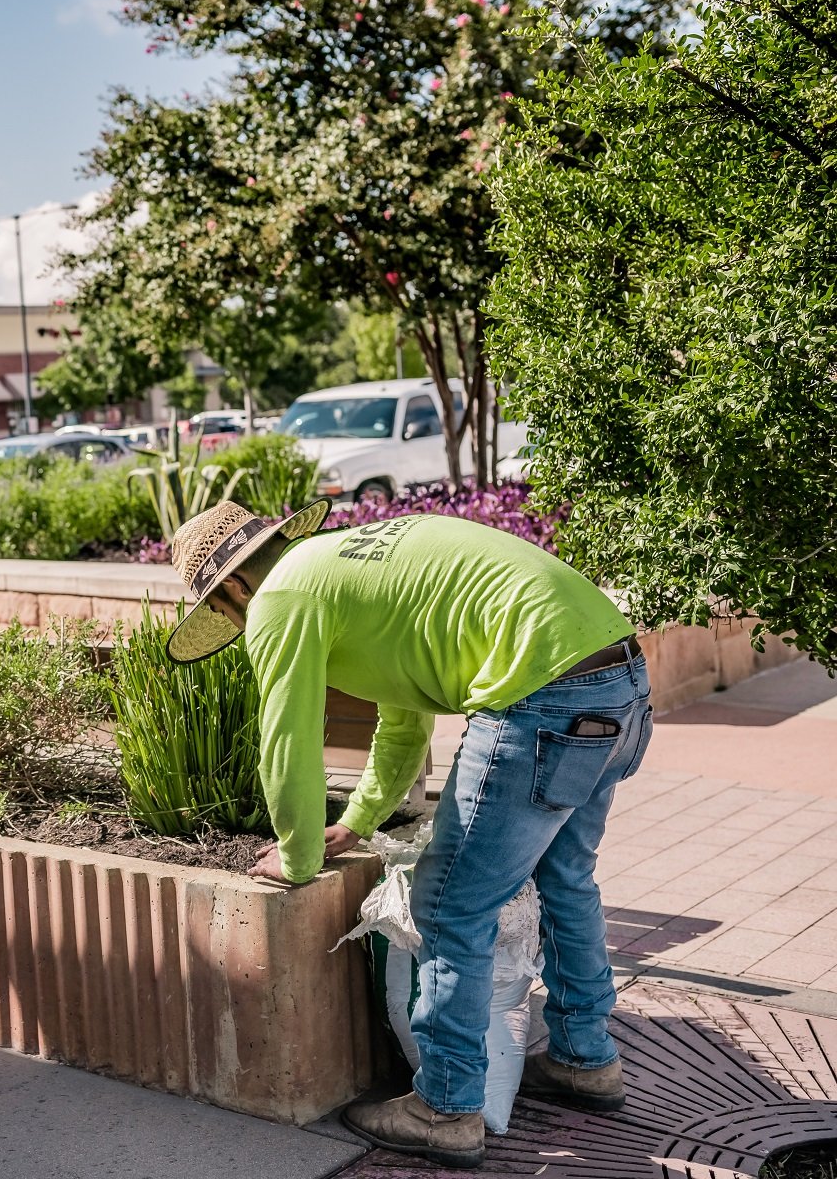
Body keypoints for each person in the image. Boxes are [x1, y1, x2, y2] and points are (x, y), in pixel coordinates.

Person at [164, 499, 652, 1169]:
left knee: (451, 904)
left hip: (541, 696)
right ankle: (584, 1060)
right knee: (565, 877)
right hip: (618, 680)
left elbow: (287, 741)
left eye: (223, 611)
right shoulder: (355, 570)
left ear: (234, 588)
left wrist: (299, 857)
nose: (235, 623)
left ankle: (446, 1109)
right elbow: (403, 726)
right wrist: (355, 822)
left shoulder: (281, 597)